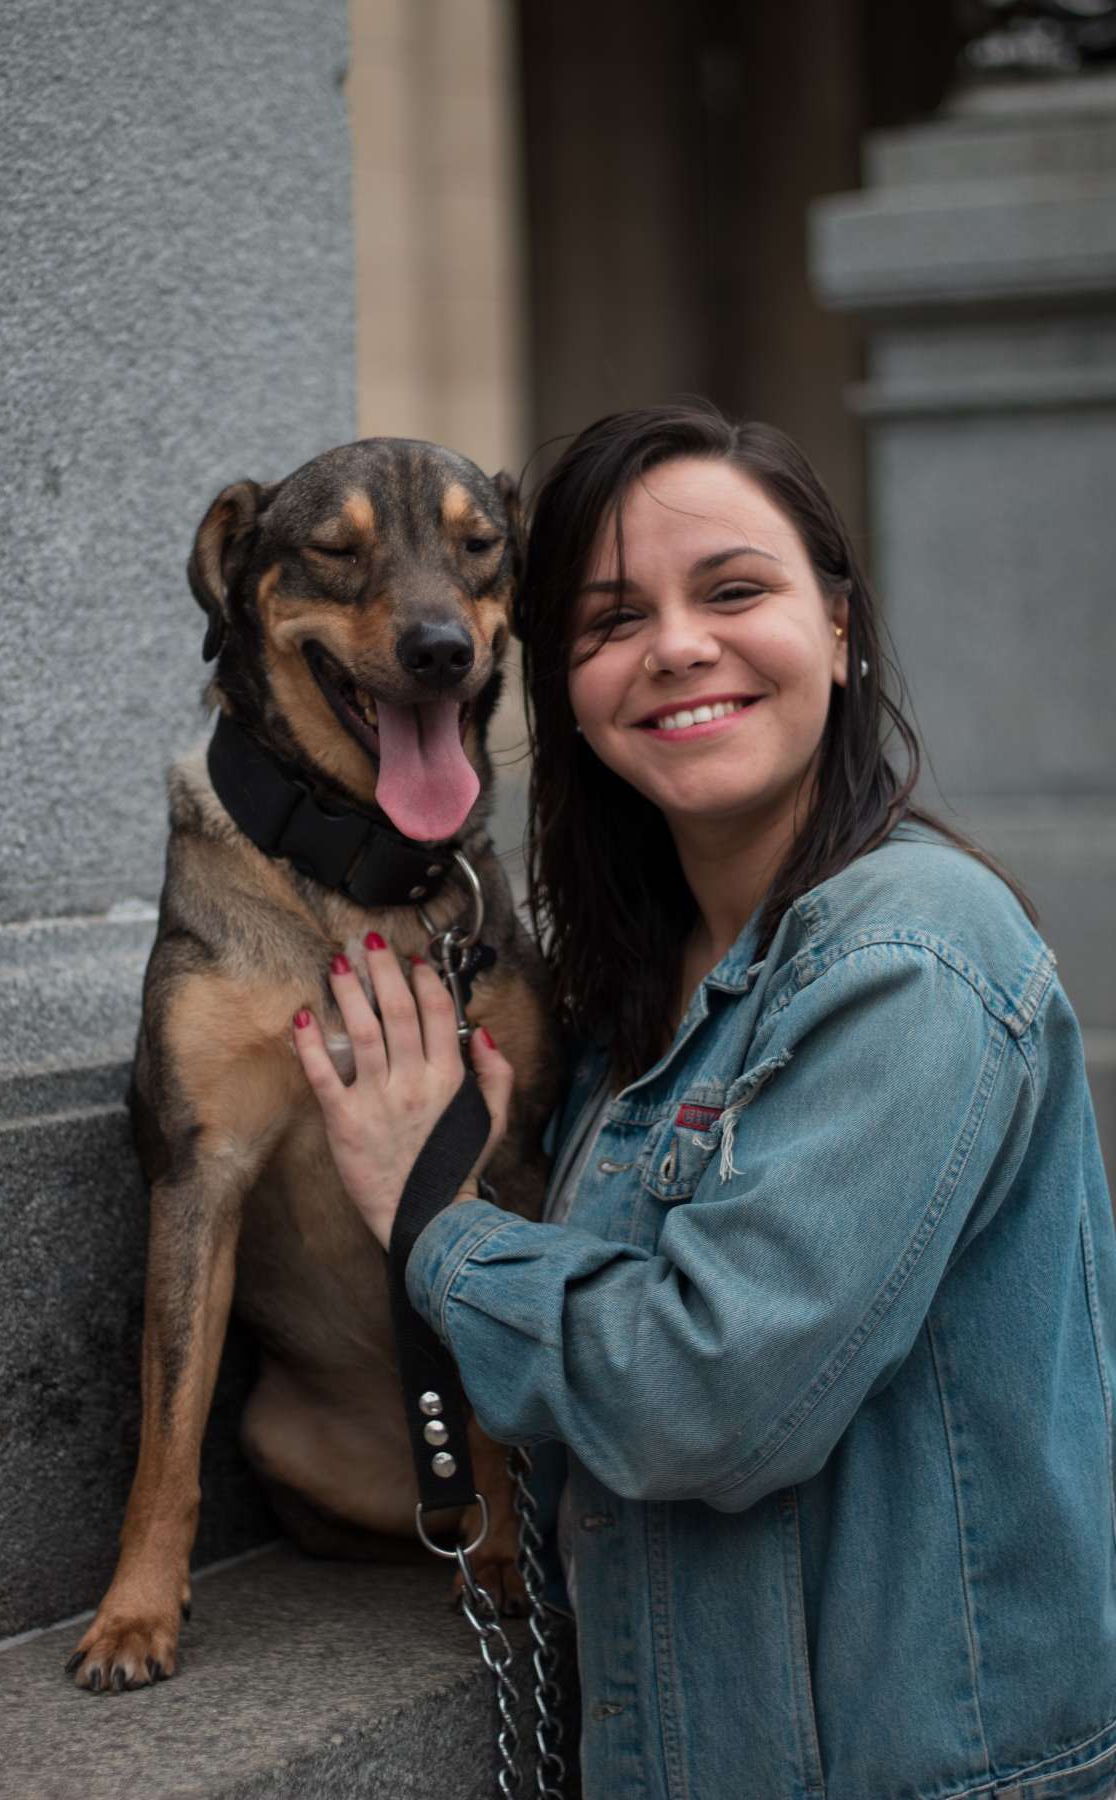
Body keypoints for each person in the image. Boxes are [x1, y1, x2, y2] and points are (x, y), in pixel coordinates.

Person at [292, 402, 1116, 1800]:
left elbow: (702, 1401)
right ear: (559, 681)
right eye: (613, 619)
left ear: (841, 629)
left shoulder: (911, 953)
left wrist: (434, 1220)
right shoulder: (633, 984)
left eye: (735, 590)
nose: (677, 645)